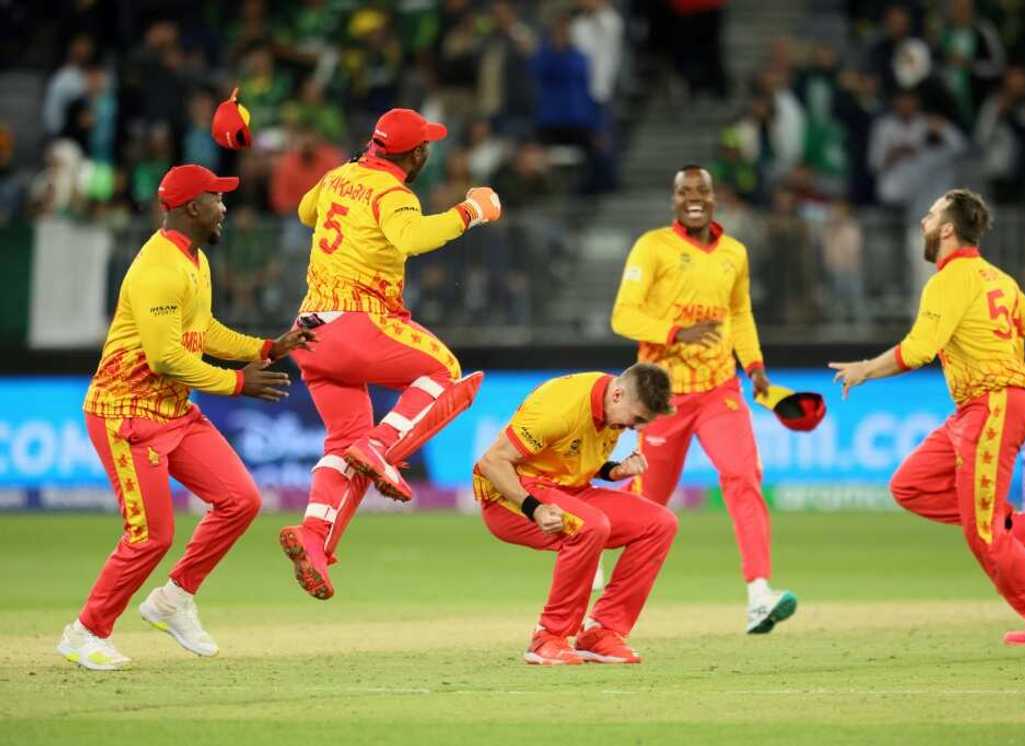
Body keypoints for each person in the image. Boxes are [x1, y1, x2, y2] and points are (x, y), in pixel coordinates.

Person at [57, 165, 314, 671]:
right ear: (192, 208)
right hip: (125, 413)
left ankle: (172, 600)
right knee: (150, 534)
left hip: (173, 411)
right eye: (218, 200)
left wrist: (268, 347)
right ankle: (85, 632)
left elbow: (204, 330)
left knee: (240, 500)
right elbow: (166, 358)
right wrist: (239, 383)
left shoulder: (193, 260)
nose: (225, 208)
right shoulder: (157, 268)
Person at [829, 188, 1025, 646]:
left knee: (983, 534)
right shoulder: (999, 280)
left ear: (948, 229)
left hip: (994, 404)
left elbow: (920, 348)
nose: (923, 223)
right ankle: (1014, 523)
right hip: (981, 408)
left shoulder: (948, 281)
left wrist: (866, 369)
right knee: (909, 485)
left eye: (929, 216)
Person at [279, 108, 501, 600]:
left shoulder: (341, 173)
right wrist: (472, 211)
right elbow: (412, 238)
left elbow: (305, 213)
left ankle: (315, 537)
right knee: (444, 370)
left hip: (308, 331)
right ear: (418, 153)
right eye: (427, 147)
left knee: (344, 446)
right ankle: (381, 447)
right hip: (354, 320)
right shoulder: (394, 193)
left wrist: (354, 171)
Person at [610, 165, 797, 635]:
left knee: (742, 476)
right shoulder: (652, 247)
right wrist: (676, 332)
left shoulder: (735, 252)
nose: (693, 197)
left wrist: (753, 365)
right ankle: (590, 548)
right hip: (661, 397)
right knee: (648, 504)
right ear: (674, 200)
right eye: (683, 191)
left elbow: (740, 313)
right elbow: (622, 316)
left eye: (701, 190)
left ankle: (759, 595)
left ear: (715, 198)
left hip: (720, 389)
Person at [474, 363, 678, 665]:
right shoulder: (559, 407)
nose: (635, 427)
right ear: (619, 395)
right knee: (590, 526)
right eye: (636, 419)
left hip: (565, 489)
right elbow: (493, 461)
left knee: (660, 524)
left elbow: (572, 455)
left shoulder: (611, 406)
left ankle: (600, 633)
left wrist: (613, 470)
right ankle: (547, 637)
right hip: (510, 497)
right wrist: (534, 508)